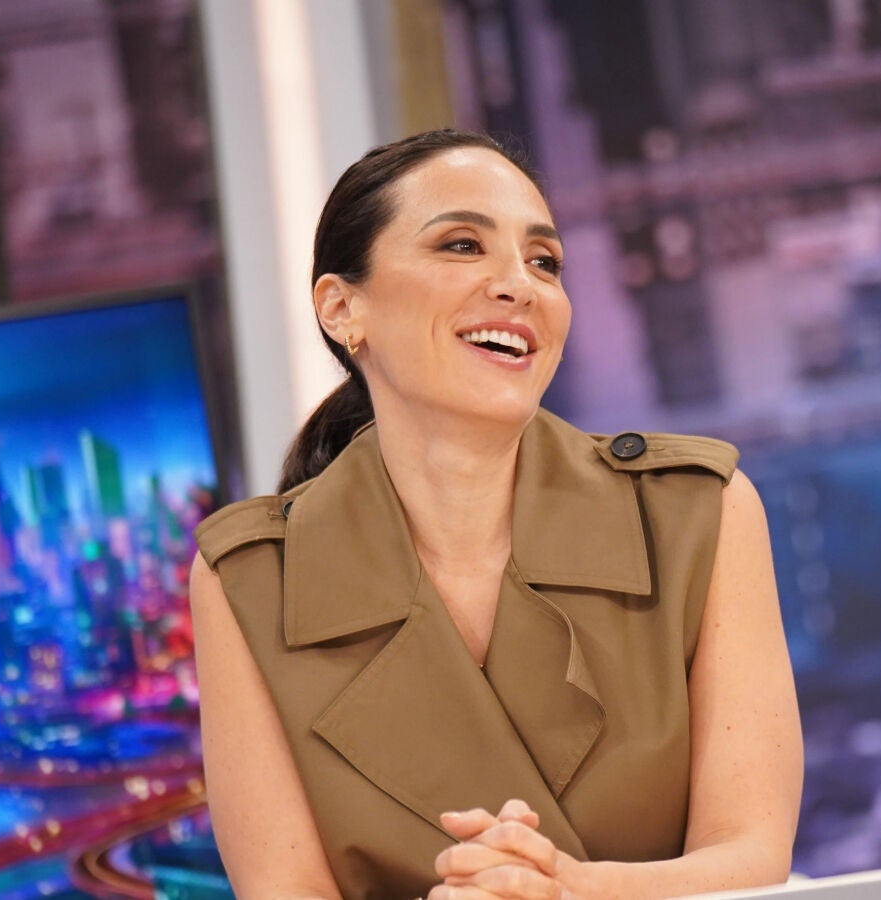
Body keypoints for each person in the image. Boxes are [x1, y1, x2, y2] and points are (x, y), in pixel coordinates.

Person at [189, 129, 803, 899]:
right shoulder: (248, 580)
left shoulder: (700, 513)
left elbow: (751, 857)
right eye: (462, 245)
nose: (520, 285)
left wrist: (569, 892)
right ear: (343, 309)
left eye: (543, 262)